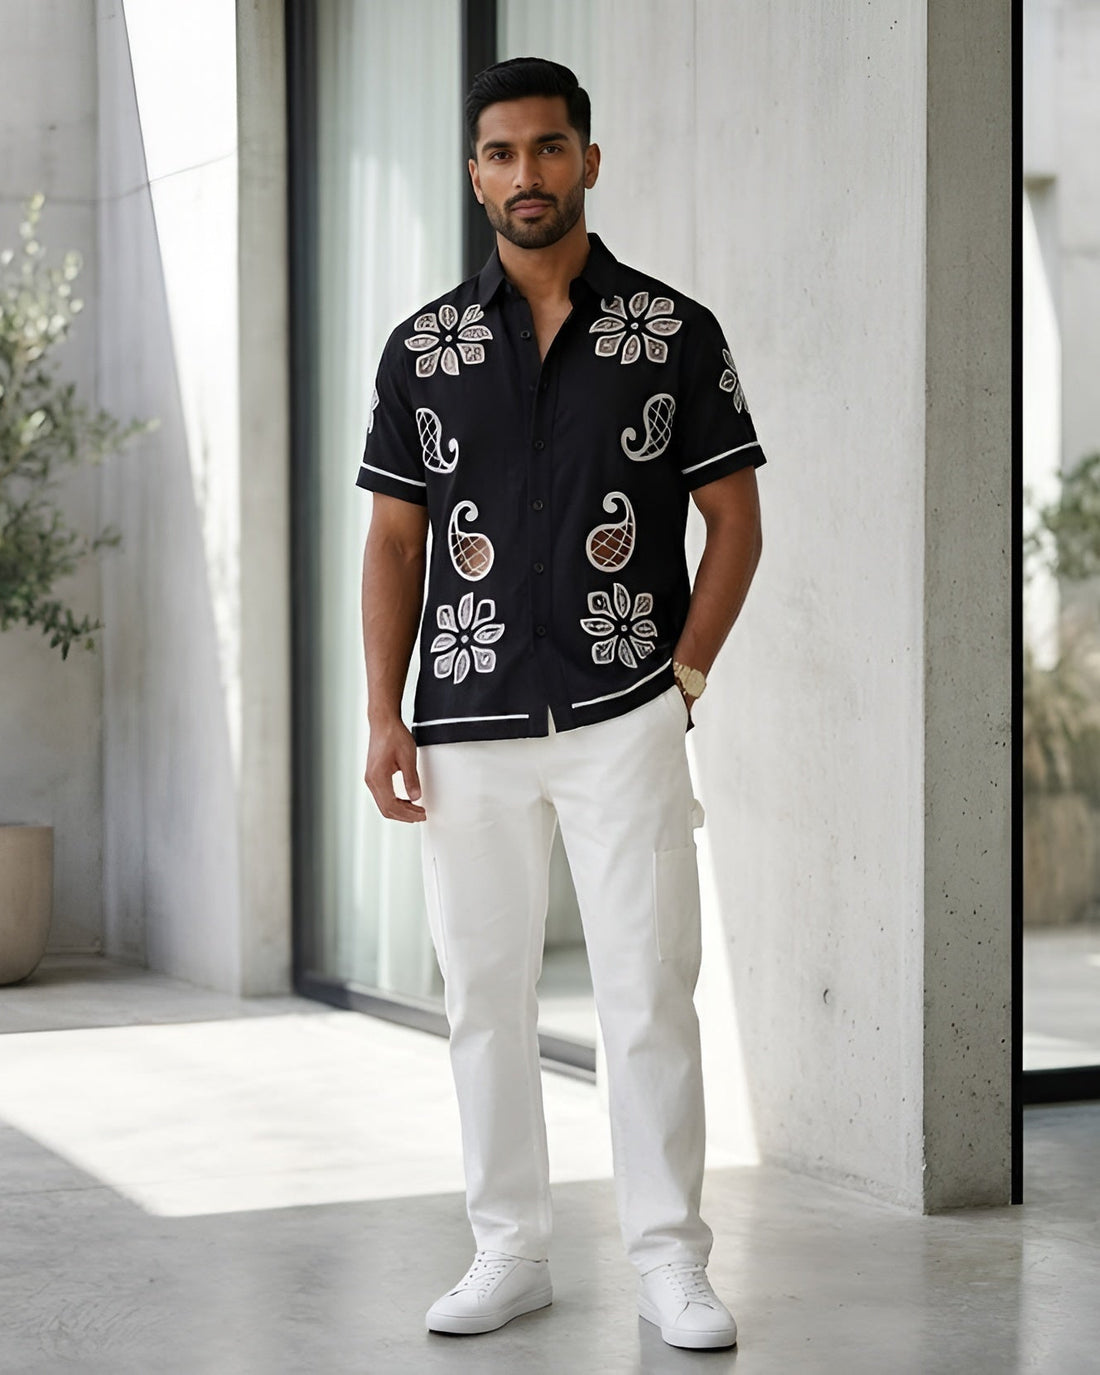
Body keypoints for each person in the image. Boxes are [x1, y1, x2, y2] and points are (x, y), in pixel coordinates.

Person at [358, 56, 764, 1352]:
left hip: (623, 711)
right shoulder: (425, 349)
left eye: (548, 149)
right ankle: (509, 1251)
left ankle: (670, 1265)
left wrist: (682, 680)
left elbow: (735, 523)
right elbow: (392, 548)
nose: (525, 175)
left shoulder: (674, 332)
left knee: (648, 991)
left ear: (589, 160)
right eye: (501, 153)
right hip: (466, 724)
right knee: (485, 994)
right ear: (475, 174)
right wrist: (384, 713)